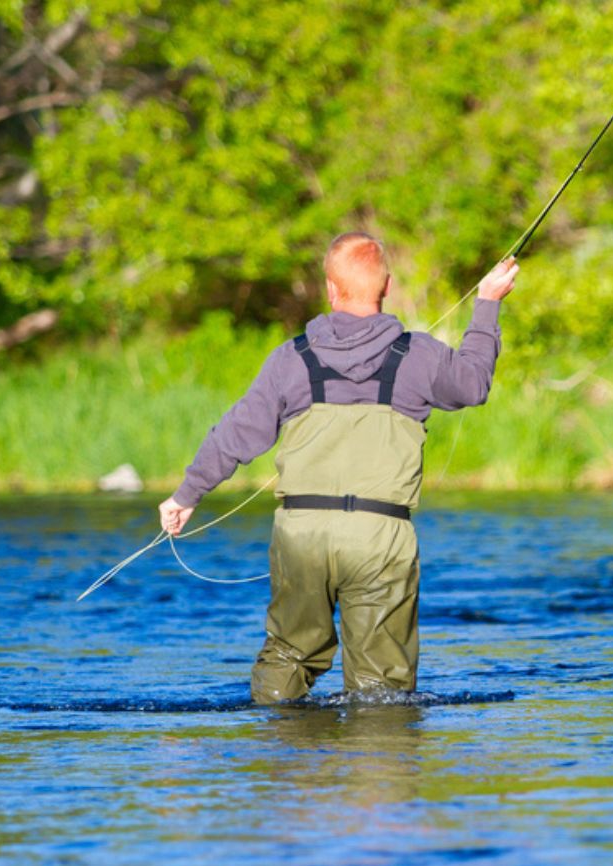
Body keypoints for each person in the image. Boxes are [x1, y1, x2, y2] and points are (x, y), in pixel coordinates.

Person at [157, 232, 518, 703]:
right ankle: (376, 764)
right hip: (379, 534)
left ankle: (284, 763)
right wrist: (487, 303)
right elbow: (473, 385)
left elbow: (236, 433)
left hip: (301, 533)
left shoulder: (290, 359)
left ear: (330, 288)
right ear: (385, 287)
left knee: (288, 655)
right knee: (381, 688)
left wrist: (187, 495)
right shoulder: (421, 355)